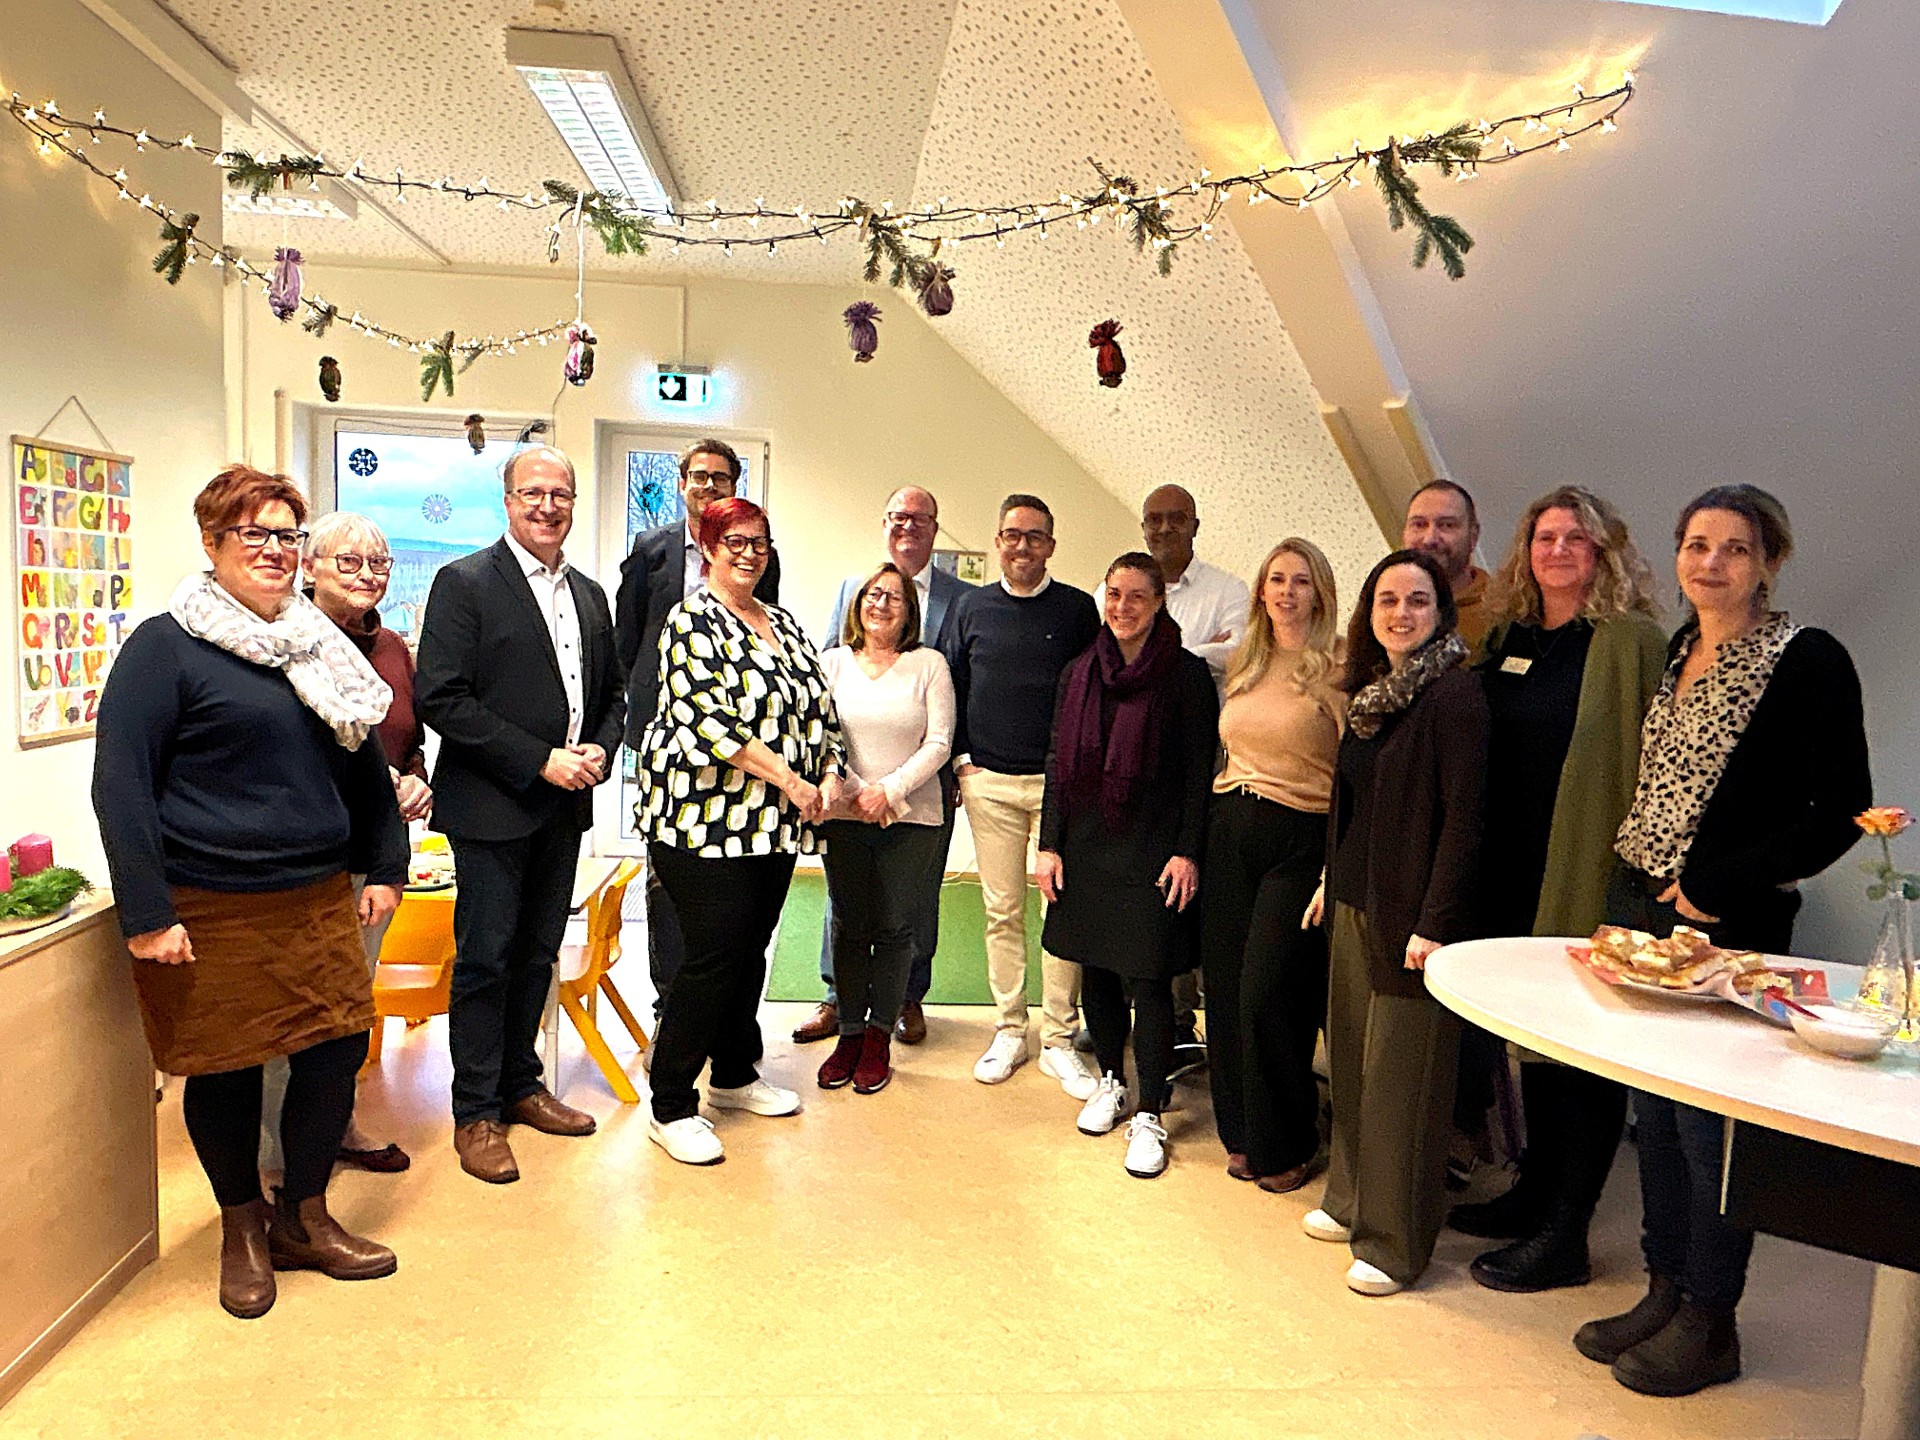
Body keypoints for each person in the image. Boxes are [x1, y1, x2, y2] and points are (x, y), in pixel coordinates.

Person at [1575, 484, 1870, 1398]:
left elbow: (1843, 811)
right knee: (1656, 1119)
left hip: (1726, 925)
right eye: (1696, 544)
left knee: (1710, 1130)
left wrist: (1720, 882)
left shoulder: (1806, 658)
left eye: (1735, 548)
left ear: (1770, 562)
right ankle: (1665, 1289)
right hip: (1640, 908)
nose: (1711, 563)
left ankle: (1711, 1321)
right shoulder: (1680, 647)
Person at [92, 465, 406, 1320]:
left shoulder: (318, 644)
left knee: (334, 1051)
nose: (273, 550)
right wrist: (147, 914)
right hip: (211, 904)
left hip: (316, 896)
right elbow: (122, 783)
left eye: (286, 535)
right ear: (212, 543)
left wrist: (386, 865)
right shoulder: (165, 647)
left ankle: (305, 1215)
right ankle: (243, 1226)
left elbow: (364, 765)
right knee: (226, 1069)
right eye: (253, 533)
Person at [1450, 488, 1667, 1294]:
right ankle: (1534, 1192)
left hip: (1583, 867)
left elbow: (1655, 766)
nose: (1559, 550)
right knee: (1533, 1041)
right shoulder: (1506, 635)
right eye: (1546, 537)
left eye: (1577, 538)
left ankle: (1567, 1231)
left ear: (1604, 551)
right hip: (1510, 870)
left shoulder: (1630, 641)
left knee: (1583, 1053)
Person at [415, 446, 625, 1185]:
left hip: (563, 810)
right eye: (532, 493)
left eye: (560, 494)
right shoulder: (465, 583)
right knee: (486, 960)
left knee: (538, 954)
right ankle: (476, 1112)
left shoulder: (590, 595)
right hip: (492, 808)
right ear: (507, 501)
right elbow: (441, 697)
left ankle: (520, 1084)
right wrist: (539, 759)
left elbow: (613, 696)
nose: (547, 506)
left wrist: (600, 748)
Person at [636, 497, 846, 1164]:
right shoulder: (690, 621)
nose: (750, 553)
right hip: (700, 821)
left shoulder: (781, 623)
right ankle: (670, 1103)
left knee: (751, 950)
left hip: (771, 827)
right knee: (712, 955)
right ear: (708, 548)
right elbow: (709, 723)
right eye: (735, 541)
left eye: (759, 541)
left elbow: (821, 710)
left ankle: (732, 1075)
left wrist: (831, 771)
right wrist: (792, 780)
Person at [1301, 549, 1488, 1297]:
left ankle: (1394, 1242)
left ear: (1440, 612)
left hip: (1413, 916)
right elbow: (1351, 804)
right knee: (1350, 1060)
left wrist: (1436, 921)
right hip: (1354, 901)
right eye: (1388, 600)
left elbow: (1466, 820)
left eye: (1417, 600)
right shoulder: (1373, 693)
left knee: (1401, 1081)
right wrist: (1329, 880)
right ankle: (1349, 1199)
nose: (1401, 613)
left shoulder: (1455, 694)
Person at [257, 512, 435, 1180]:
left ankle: (336, 1126)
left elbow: (406, 738)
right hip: (305, 860)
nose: (367, 575)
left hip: (376, 859)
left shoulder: (391, 647)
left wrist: (415, 780)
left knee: (348, 1007)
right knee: (292, 1011)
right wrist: (371, 780)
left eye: (378, 563)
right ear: (310, 567)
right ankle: (280, 1158)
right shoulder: (281, 639)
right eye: (348, 561)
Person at [1036, 554, 1217, 1177]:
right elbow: (1058, 763)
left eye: (1137, 596)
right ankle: (1112, 1081)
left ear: (1160, 601)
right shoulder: (1079, 671)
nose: (1122, 607)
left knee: (1149, 978)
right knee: (1098, 970)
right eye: (1114, 594)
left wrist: (1188, 850)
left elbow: (1199, 772)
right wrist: (1049, 844)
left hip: (1154, 849)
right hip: (1087, 845)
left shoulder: (1187, 675)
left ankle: (1150, 1112)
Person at [795, 485, 973, 1048]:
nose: (908, 526)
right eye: (898, 516)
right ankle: (838, 999)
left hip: (921, 785)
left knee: (914, 904)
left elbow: (960, 696)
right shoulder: (851, 592)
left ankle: (907, 997)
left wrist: (934, 775)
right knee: (845, 906)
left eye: (920, 519)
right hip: (847, 792)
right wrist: (846, 783)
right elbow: (824, 708)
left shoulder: (960, 599)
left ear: (935, 528)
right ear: (884, 523)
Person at [941, 494, 1102, 1097]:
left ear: (1051, 546)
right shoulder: (970, 607)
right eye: (1012, 535)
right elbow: (952, 683)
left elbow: (1093, 690)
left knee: (1061, 910)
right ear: (998, 541)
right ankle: (1010, 1028)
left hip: (1058, 788)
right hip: (989, 783)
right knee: (1001, 911)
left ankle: (1059, 1038)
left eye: (1035, 536)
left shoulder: (1078, 610)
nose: (1022, 546)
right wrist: (961, 760)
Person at [615, 438, 780, 1025]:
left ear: (735, 484)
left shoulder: (758, 554)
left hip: (735, 742)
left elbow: (766, 638)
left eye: (721, 477)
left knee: (727, 883)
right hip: (664, 737)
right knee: (670, 877)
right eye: (699, 476)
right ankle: (669, 1004)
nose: (708, 486)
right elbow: (627, 639)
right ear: (682, 482)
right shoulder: (650, 549)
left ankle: (725, 1012)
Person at [1201, 539, 1346, 1194]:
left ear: (1320, 593)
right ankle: (1243, 1133)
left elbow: (1355, 776)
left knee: (1270, 992)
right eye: (1277, 579)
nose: (1287, 592)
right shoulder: (1246, 660)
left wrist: (1333, 868)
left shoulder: (1339, 668)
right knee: (1228, 990)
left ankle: (1290, 1138)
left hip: (1301, 837)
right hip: (1232, 827)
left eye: (1301, 581)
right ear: (1260, 590)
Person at [814, 562, 954, 1093]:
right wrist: (858, 792)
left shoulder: (929, 665)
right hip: (846, 815)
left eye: (894, 596)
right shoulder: (831, 663)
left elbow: (939, 742)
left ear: (909, 610)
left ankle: (878, 1039)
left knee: (896, 928)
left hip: (913, 819)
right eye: (873, 594)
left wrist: (889, 791)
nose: (881, 604)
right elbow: (818, 732)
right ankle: (849, 1034)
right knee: (849, 925)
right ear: (858, 604)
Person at [1141, 482, 1250, 1067]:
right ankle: (1161, 1017)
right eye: (1155, 519)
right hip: (1139, 764)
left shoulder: (1227, 590)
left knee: (1194, 883)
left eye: (1176, 519)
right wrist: (1199, 650)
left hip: (1204, 759)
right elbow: (1112, 648)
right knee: (1147, 886)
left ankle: (1198, 1021)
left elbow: (1240, 654)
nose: (1165, 529)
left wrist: (1161, 654)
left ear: (1195, 526)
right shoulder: (1126, 586)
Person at [1403, 479, 1493, 652]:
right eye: (1419, 524)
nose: (1429, 539)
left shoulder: (1503, 613)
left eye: (1447, 525)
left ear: (1473, 536)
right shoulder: (1383, 613)